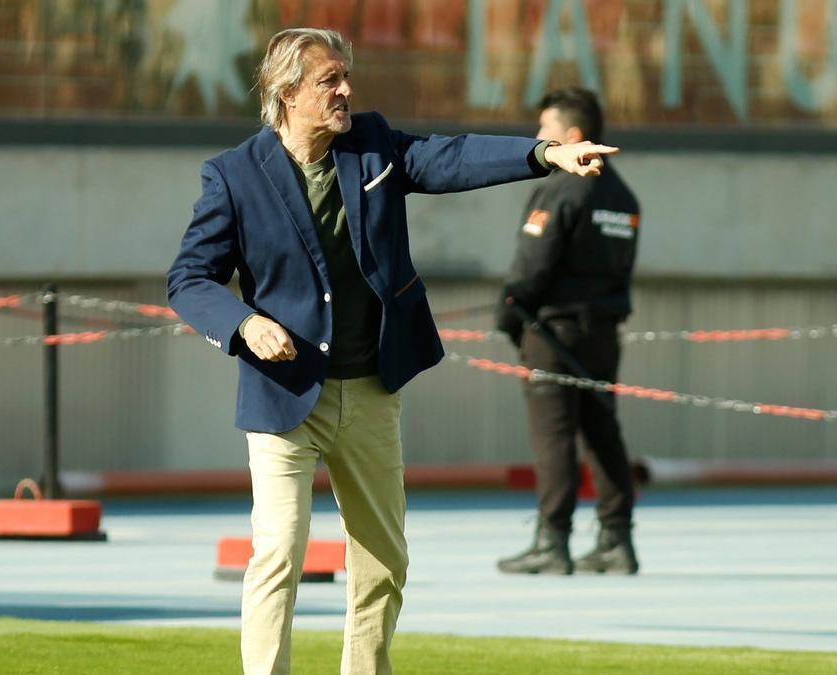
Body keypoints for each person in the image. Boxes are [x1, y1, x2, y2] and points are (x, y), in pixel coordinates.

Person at [166, 29, 617, 675]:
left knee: (382, 560)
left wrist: (546, 154)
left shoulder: (372, 142)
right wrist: (242, 325)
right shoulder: (233, 175)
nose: (346, 90)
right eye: (330, 80)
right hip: (284, 394)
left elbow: (450, 157)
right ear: (287, 91)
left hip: (373, 387)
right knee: (278, 555)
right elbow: (188, 279)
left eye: (347, 76)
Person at [495, 87, 641, 576]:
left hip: (553, 331)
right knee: (602, 431)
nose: (538, 138)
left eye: (546, 130)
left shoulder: (561, 187)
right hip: (603, 330)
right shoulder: (623, 196)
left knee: (553, 435)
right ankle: (616, 538)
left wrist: (510, 307)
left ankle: (551, 541)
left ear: (573, 137)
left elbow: (533, 261)